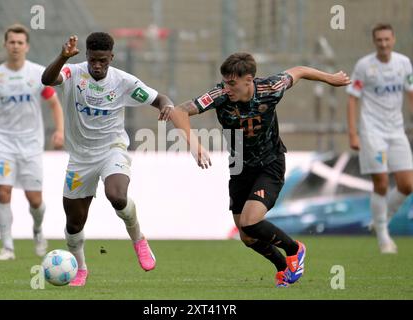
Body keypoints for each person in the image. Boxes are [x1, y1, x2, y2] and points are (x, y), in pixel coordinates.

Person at [170, 52, 350, 287]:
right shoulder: (220, 95)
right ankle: (282, 268)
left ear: (249, 80)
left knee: (251, 221)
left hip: (270, 163)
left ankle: (295, 249)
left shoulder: (271, 88)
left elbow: (300, 71)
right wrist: (195, 145)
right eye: (225, 81)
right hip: (239, 166)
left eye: (232, 83)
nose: (227, 87)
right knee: (246, 236)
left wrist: (330, 78)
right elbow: (179, 111)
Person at [41, 32, 177, 287]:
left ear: (111, 58)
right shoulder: (72, 73)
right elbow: (47, 79)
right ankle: (80, 269)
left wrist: (167, 106)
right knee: (74, 223)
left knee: (117, 195)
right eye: (93, 60)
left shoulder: (123, 82)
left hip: (111, 150)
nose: (97, 65)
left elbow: (159, 98)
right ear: (87, 56)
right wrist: (62, 56)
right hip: (80, 158)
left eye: (103, 60)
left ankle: (138, 238)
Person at [0, 24, 64, 260]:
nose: (16, 46)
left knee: (35, 199)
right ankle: (7, 247)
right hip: (4, 144)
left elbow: (53, 103)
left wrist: (60, 130)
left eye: (20, 42)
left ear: (26, 46)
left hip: (31, 144)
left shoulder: (38, 74)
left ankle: (38, 230)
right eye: (12, 42)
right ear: (5, 45)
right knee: (3, 192)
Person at [347, 23, 413, 254]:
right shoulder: (364, 66)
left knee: (407, 184)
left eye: (387, 39)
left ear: (393, 40)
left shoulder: (404, 63)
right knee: (382, 183)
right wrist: (353, 133)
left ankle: (380, 220)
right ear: (375, 42)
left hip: (396, 130)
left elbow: (410, 93)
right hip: (372, 131)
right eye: (379, 40)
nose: (383, 44)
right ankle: (384, 237)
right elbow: (352, 98)